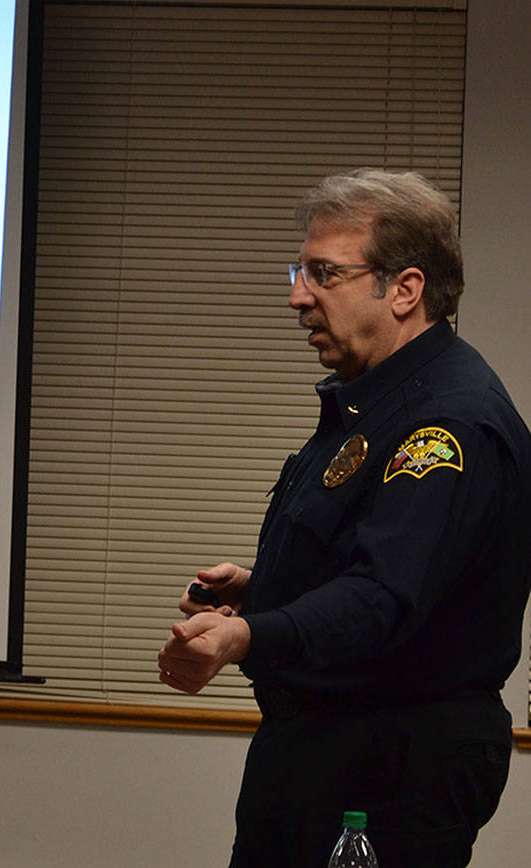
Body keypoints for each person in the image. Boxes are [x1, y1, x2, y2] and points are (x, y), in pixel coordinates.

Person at [156, 168, 531, 867]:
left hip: (386, 771)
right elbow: (368, 559)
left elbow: (384, 596)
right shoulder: (374, 401)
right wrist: (262, 588)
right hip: (321, 757)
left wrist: (245, 638)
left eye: (324, 273)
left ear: (406, 290)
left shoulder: (445, 425)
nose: (298, 295)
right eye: (299, 270)